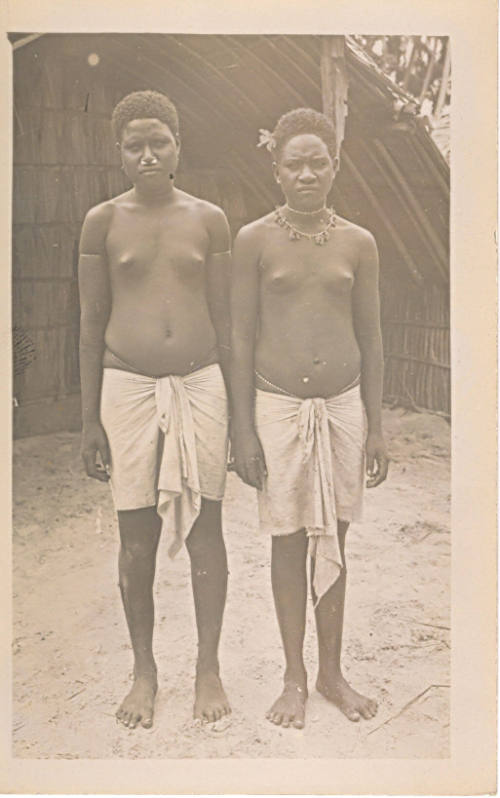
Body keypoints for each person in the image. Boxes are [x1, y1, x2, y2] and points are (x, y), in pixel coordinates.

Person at [230, 108, 389, 730]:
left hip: (343, 407)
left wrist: (375, 425)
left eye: (316, 162)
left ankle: (331, 672)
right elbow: (240, 338)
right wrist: (242, 429)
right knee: (288, 540)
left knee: (335, 540)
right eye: (293, 164)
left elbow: (373, 339)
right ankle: (294, 677)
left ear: (335, 166)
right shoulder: (254, 240)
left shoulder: (359, 242)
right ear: (275, 170)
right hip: (277, 408)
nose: (305, 174)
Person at [78, 90, 232, 730]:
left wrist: (241, 418)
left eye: (158, 142)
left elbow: (227, 321)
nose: (147, 155)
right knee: (135, 537)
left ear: (177, 146)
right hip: (128, 387)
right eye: (135, 146)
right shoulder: (102, 221)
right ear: (119, 154)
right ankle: (144, 670)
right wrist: (90, 420)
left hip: (201, 383)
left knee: (206, 529)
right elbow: (90, 324)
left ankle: (208, 666)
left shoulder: (209, 219)